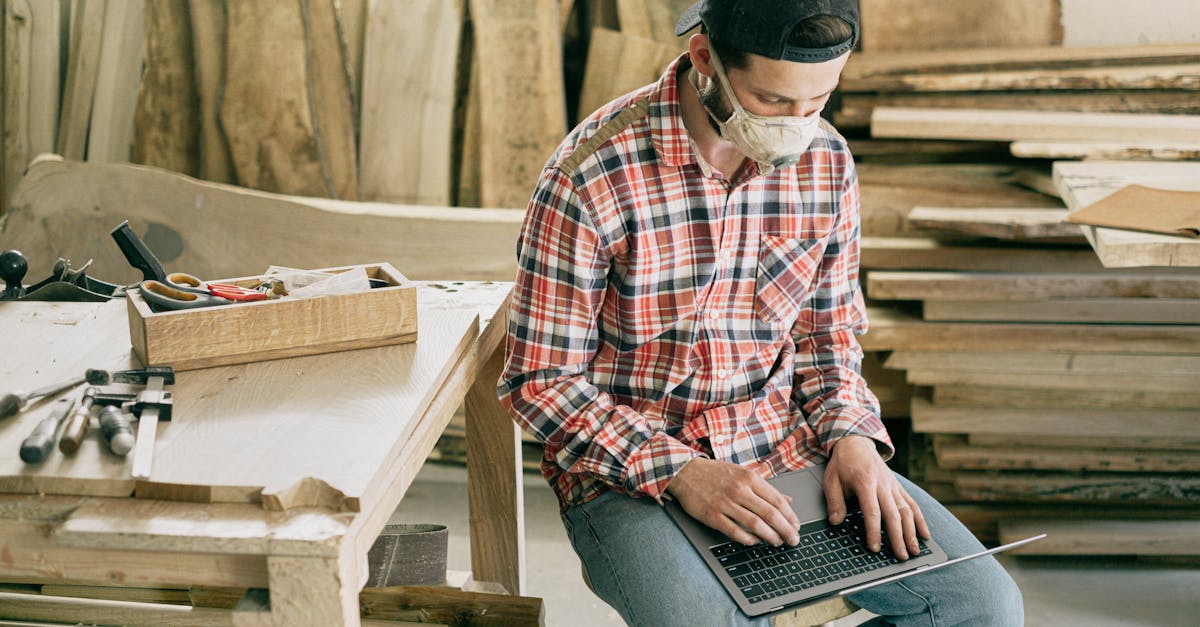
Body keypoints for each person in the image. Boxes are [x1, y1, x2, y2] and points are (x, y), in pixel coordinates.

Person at [497, 1, 1024, 624]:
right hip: (633, 473)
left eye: (818, 101)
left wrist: (852, 438)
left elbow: (829, 338)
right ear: (704, 60)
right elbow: (541, 382)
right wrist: (682, 471)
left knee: (983, 608)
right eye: (772, 101)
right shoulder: (590, 177)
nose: (797, 126)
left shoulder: (826, 161)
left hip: (784, 443)